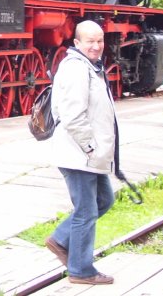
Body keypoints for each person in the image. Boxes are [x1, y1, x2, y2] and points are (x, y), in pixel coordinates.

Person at [44, 19, 117, 285]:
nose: (97, 46)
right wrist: (91, 147)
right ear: (77, 43)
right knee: (86, 210)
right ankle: (81, 270)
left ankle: (61, 239)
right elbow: (74, 116)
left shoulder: (90, 67)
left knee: (103, 201)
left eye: (100, 41)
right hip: (80, 153)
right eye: (91, 41)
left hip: (88, 154)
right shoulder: (76, 69)